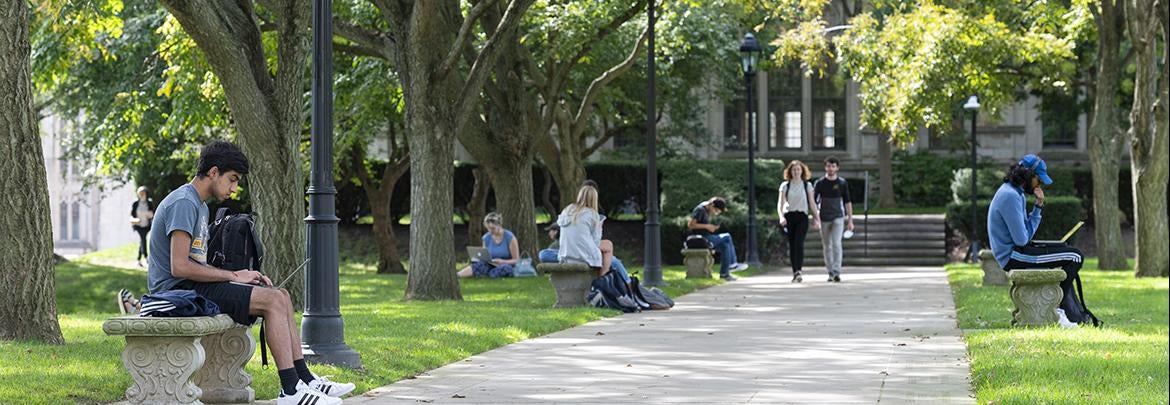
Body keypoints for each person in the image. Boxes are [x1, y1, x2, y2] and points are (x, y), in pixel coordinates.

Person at [146, 141, 352, 405]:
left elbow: (194, 263)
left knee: (281, 295)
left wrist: (241, 274)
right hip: (178, 294)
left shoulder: (198, 204)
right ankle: (290, 391)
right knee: (273, 300)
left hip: (191, 288)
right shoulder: (184, 203)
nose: (234, 188)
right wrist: (232, 277)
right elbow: (180, 267)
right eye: (232, 180)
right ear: (213, 172)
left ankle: (304, 381)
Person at [987, 154, 1094, 326]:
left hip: (1018, 252)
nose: (1040, 185)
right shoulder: (1011, 196)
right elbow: (1022, 240)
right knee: (1075, 257)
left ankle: (1067, 310)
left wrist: (1038, 206)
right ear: (1029, 176)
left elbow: (1025, 237)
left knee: (1070, 253)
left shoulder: (1016, 193)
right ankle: (1058, 310)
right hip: (1013, 256)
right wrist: (1037, 208)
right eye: (1039, 180)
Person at [557, 183, 615, 276]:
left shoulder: (567, 210)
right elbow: (595, 241)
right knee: (609, 245)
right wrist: (599, 227)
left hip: (565, 255)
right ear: (594, 199)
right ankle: (602, 278)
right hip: (583, 256)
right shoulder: (592, 214)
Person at [688, 197, 749, 281]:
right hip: (700, 239)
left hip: (705, 237)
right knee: (727, 236)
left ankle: (724, 274)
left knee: (725, 246)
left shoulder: (706, 209)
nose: (715, 214)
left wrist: (711, 228)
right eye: (716, 211)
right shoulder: (700, 210)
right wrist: (708, 226)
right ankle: (733, 264)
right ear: (712, 205)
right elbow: (691, 225)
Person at [778, 160, 820, 283]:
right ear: (790, 171)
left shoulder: (807, 185)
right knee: (792, 245)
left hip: (802, 216)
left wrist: (817, 218)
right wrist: (781, 216)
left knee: (799, 243)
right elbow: (780, 203)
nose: (796, 172)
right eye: (794, 170)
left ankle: (799, 271)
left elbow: (812, 203)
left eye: (798, 169)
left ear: (802, 171)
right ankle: (795, 271)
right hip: (789, 216)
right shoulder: (785, 186)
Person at [813, 156, 853, 283]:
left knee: (836, 244)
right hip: (823, 217)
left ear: (837, 168)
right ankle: (830, 271)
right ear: (825, 167)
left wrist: (850, 219)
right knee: (827, 246)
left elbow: (847, 202)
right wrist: (815, 218)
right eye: (828, 166)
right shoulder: (819, 183)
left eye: (833, 166)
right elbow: (814, 202)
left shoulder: (842, 183)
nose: (831, 168)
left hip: (838, 217)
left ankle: (836, 271)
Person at [457, 212, 520, 278]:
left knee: (503, 269)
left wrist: (502, 261)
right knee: (479, 265)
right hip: (491, 264)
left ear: (499, 225)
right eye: (488, 228)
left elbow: (516, 260)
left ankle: (487, 274)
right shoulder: (486, 237)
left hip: (506, 264)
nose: (490, 231)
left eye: (493, 228)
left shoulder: (510, 237)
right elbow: (485, 256)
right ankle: (458, 275)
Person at [130, 186, 155, 267]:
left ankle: (138, 260)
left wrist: (149, 215)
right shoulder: (135, 203)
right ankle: (146, 257)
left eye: (143, 193)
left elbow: (152, 214)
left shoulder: (149, 203)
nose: (142, 194)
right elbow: (131, 216)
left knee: (142, 241)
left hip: (146, 225)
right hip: (138, 225)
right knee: (143, 239)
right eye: (140, 193)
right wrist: (136, 220)